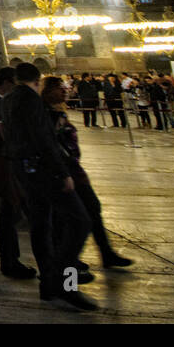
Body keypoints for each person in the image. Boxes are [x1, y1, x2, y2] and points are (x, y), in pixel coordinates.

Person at [1, 62, 96, 311]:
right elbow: (43, 139)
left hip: (22, 170)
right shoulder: (33, 102)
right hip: (44, 170)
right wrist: (62, 172)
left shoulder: (8, 100)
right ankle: (65, 281)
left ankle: (48, 284)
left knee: (41, 225)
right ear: (38, 80)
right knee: (80, 222)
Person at [40, 76, 134, 272]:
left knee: (91, 210)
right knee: (73, 220)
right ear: (47, 91)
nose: (64, 91)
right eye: (59, 88)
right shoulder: (45, 115)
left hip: (72, 171)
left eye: (64, 87)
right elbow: (51, 147)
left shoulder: (58, 113)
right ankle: (66, 272)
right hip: (61, 174)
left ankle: (103, 254)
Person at [0, 66, 36, 280]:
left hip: (8, 158)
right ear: (6, 81)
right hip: (6, 160)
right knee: (12, 213)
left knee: (13, 212)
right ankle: (10, 262)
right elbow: (4, 133)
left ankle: (11, 261)